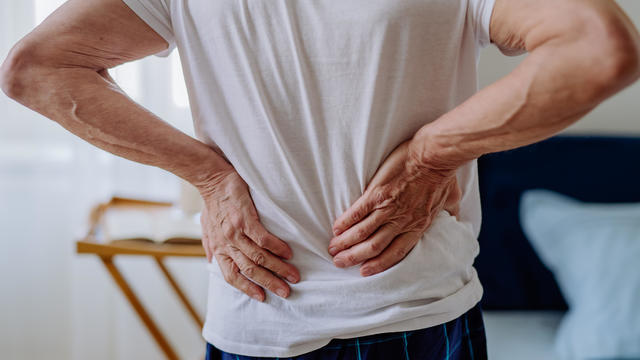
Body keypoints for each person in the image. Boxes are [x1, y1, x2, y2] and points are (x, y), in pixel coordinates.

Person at [1, 0, 639, 358]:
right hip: (284, 320)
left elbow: (36, 68)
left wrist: (430, 156)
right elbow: (34, 69)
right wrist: (211, 177)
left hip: (400, 315)